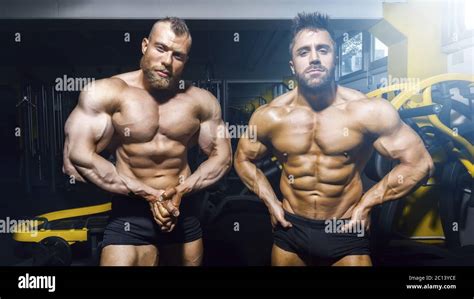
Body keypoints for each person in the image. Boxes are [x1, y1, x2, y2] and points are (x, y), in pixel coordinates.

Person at [234, 12, 434, 266]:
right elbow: (242, 159)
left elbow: (420, 164)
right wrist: (270, 201)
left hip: (347, 229)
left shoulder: (368, 111)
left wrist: (367, 204)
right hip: (290, 229)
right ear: (292, 65)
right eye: (304, 52)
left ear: (335, 57)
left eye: (323, 49)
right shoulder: (270, 116)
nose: (314, 58)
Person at [63, 17, 232, 266]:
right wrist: (149, 194)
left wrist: (181, 191)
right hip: (129, 214)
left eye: (178, 55)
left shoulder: (201, 101)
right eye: (160, 48)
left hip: (181, 211)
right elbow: (77, 158)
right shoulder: (107, 93)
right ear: (145, 45)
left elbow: (222, 157)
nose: (167, 61)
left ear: (186, 60)